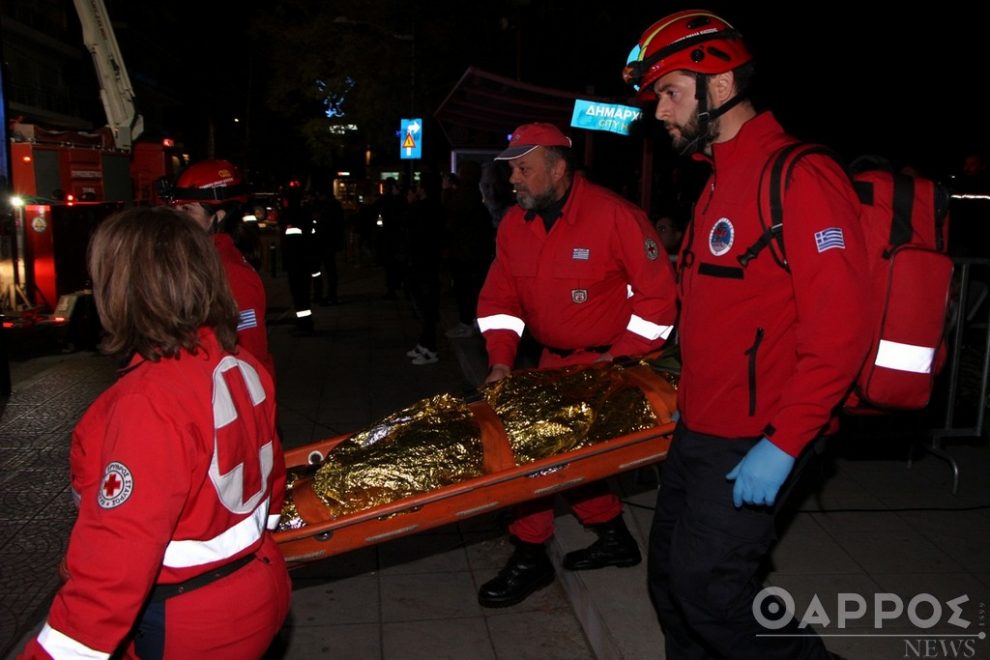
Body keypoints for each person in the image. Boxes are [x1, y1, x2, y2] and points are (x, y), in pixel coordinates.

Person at [623, 10, 870, 657]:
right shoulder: (717, 183)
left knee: (711, 591)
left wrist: (786, 445)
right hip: (701, 429)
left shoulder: (801, 178)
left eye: (670, 92)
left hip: (754, 438)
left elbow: (841, 333)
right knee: (672, 583)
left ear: (722, 85)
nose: (660, 112)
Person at [20, 207, 290, 659]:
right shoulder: (239, 364)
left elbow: (113, 568)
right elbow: (273, 483)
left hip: (188, 621)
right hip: (257, 585)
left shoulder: (150, 401)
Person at [475, 122, 678, 607]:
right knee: (574, 461)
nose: (514, 180)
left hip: (612, 363)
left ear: (559, 167)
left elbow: (659, 302)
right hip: (551, 363)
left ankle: (530, 554)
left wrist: (617, 359)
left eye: (524, 168)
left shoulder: (616, 216)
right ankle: (614, 538)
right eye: (511, 170)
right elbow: (500, 300)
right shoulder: (513, 226)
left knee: (539, 455)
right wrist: (501, 361)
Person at [171, 159, 275, 376]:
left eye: (187, 210)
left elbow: (250, 354)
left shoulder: (232, 274)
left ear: (217, 217)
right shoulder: (198, 262)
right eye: (177, 209)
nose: (178, 218)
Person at [444, 160, 495, 339]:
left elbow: (452, 222)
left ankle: (467, 323)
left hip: (464, 252)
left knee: (464, 289)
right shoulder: (475, 195)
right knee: (472, 289)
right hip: (475, 251)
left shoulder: (462, 196)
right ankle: (472, 321)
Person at [404, 170, 446, 365]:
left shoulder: (424, 208)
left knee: (425, 307)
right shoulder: (436, 207)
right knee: (425, 306)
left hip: (422, 263)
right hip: (427, 262)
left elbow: (413, 233)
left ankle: (430, 349)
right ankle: (424, 343)